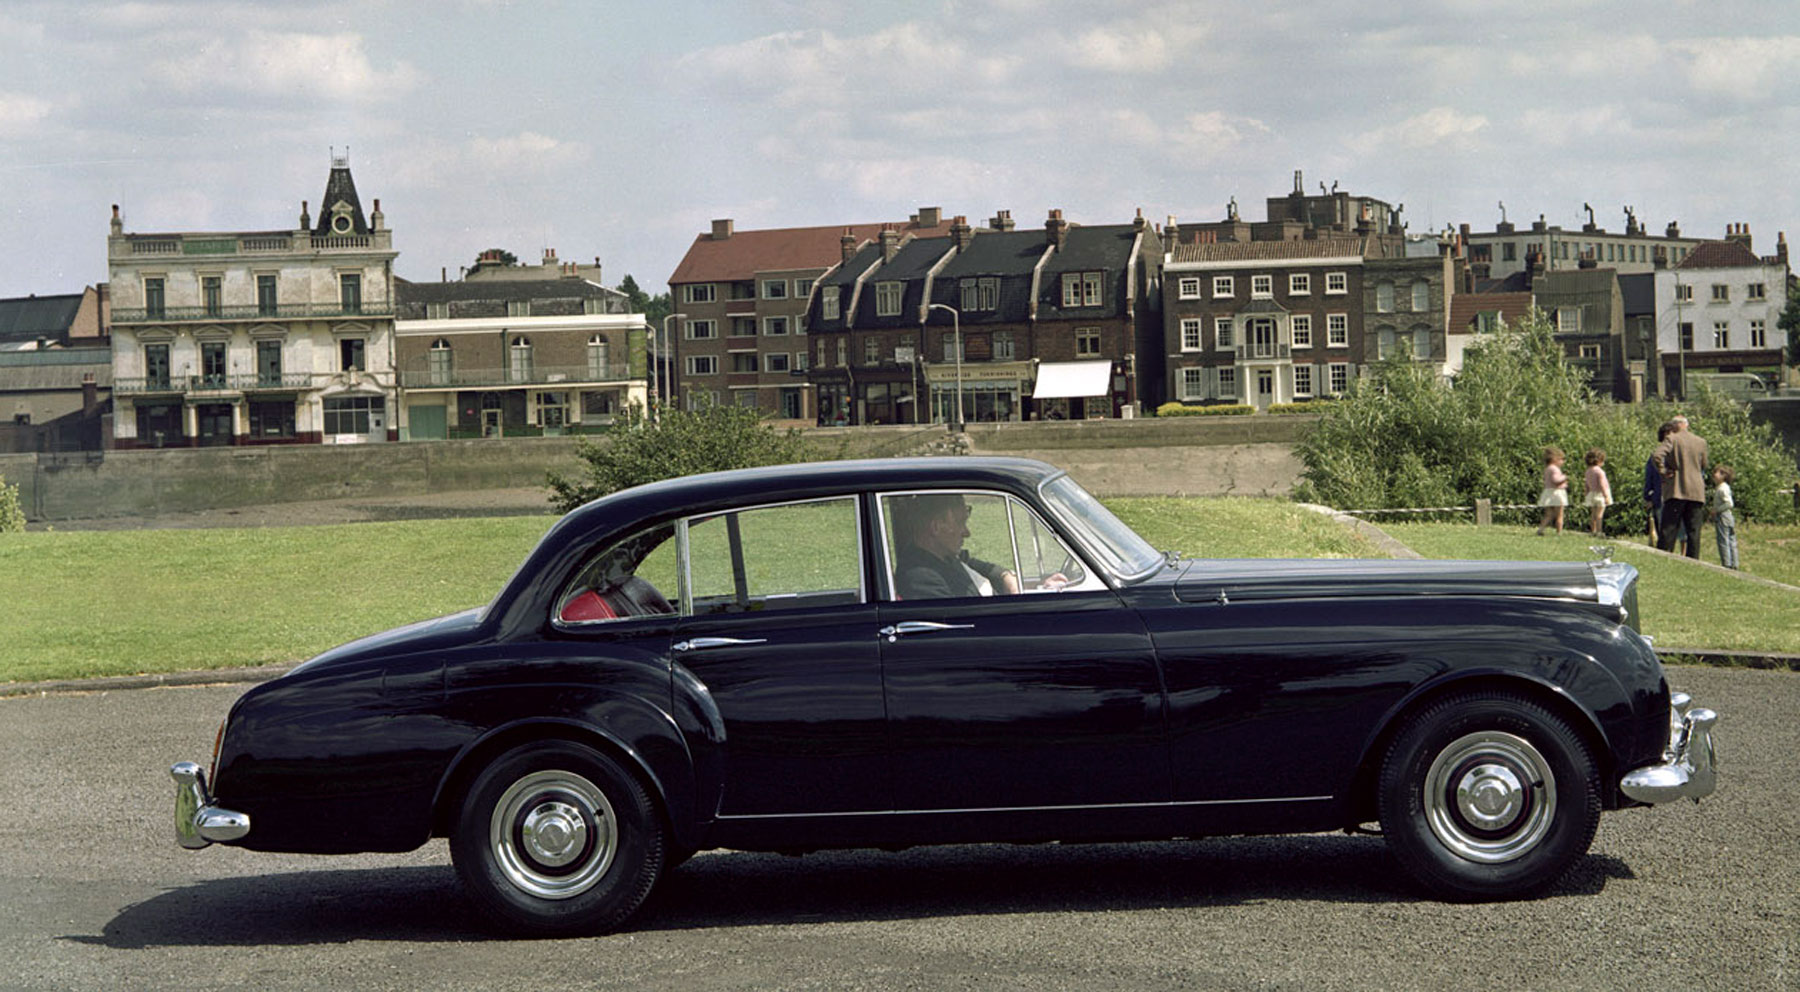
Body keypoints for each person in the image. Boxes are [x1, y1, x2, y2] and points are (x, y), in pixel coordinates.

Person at [890, 493, 1020, 600]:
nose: (967, 533)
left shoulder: (944, 556)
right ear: (936, 527)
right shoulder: (921, 579)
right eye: (960, 522)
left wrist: (1005, 576)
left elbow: (980, 566)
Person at [1653, 414, 1710, 559]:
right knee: (1693, 530)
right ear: (1686, 425)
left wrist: (1663, 471)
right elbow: (1704, 464)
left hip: (1677, 489)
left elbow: (1657, 455)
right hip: (1696, 491)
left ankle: (1664, 556)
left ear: (1674, 426)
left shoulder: (1672, 439)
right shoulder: (1701, 442)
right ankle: (1694, 560)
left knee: (1669, 528)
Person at [1643, 421, 1677, 548]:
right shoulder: (1656, 456)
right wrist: (1648, 497)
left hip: (1674, 495)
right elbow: (1650, 477)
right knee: (1662, 527)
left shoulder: (1678, 454)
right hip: (1660, 496)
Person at [1708, 465, 1739, 570]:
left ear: (1723, 475)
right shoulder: (1723, 487)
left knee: (1723, 539)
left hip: (1723, 516)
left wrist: (1716, 510)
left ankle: (1726, 563)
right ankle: (1734, 563)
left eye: (1717, 473)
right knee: (1731, 540)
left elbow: (1729, 503)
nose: (1714, 475)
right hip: (1728, 516)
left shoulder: (1722, 488)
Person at [1536, 447, 1568, 536]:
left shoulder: (1547, 468)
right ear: (1555, 459)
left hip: (1548, 492)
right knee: (1560, 514)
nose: (1563, 462)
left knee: (1548, 514)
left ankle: (1541, 529)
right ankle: (1559, 532)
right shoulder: (1554, 469)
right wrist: (1564, 477)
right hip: (1557, 493)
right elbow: (1556, 480)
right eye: (1561, 459)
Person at [1584, 448, 1612, 537]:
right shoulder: (1600, 472)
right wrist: (1606, 496)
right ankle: (1599, 532)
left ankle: (1593, 531)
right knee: (1599, 515)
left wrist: (1586, 493)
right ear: (1599, 460)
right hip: (1600, 495)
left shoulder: (1588, 471)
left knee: (1593, 514)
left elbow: (1586, 484)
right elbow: (1602, 485)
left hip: (1591, 494)